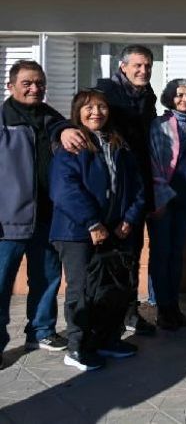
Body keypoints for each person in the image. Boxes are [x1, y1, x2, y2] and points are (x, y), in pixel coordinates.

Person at [49, 89, 146, 371]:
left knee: (112, 289)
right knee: (82, 291)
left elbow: (137, 187)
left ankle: (107, 340)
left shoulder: (118, 144)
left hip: (114, 230)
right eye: (89, 108)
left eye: (102, 107)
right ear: (77, 112)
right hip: (77, 232)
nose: (96, 113)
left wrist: (129, 217)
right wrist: (92, 222)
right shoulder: (72, 145)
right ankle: (78, 347)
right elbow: (64, 189)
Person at [0, 60, 79, 367]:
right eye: (27, 83)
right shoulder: (4, 119)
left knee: (46, 276)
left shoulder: (49, 118)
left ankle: (41, 330)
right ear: (11, 86)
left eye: (40, 83)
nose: (35, 88)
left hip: (48, 215)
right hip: (8, 220)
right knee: (1, 282)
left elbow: (66, 126)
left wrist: (68, 128)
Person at [94, 44, 158, 335]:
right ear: (123, 67)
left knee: (132, 255)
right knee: (107, 260)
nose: (143, 71)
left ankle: (130, 313)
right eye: (137, 65)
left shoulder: (148, 96)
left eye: (147, 66)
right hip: (110, 191)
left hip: (137, 189)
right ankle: (103, 319)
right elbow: (80, 119)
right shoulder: (105, 96)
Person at [148, 78, 186, 330]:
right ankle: (162, 308)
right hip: (163, 199)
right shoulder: (159, 125)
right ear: (170, 98)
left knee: (176, 255)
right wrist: (160, 198)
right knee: (161, 254)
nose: (184, 99)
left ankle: (173, 305)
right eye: (179, 95)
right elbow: (154, 163)